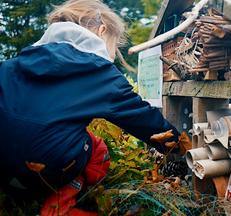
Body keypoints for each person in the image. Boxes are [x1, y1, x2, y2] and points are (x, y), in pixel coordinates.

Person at [0, 0, 180, 215]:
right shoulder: (99, 72)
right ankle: (61, 207)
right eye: (114, 46)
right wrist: (179, 146)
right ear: (102, 31)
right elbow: (145, 121)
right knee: (96, 148)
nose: (112, 56)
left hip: (3, 175)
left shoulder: (13, 64)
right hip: (46, 171)